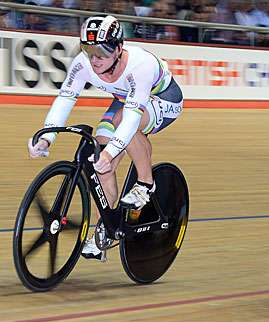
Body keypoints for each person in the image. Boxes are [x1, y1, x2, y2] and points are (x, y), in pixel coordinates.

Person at [27, 15, 184, 261]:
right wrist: (48, 137)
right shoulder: (83, 63)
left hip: (162, 99)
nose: (95, 59)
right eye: (89, 50)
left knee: (122, 125)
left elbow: (132, 118)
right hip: (125, 102)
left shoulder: (139, 65)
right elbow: (66, 98)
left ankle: (145, 183)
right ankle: (105, 231)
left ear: (119, 49)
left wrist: (113, 151)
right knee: (101, 160)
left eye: (101, 51)